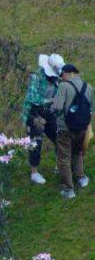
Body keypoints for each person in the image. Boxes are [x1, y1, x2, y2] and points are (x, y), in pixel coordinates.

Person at [47, 63, 91, 199]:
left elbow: (58, 107)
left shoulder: (63, 86)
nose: (61, 77)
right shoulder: (88, 87)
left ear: (68, 73)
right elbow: (91, 109)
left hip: (65, 128)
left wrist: (51, 104)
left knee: (64, 158)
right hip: (83, 127)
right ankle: (81, 178)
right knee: (78, 153)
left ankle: (68, 189)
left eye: (62, 74)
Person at [22, 53, 63, 185]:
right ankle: (34, 173)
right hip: (33, 113)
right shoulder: (36, 77)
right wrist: (50, 100)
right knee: (36, 141)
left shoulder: (57, 78)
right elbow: (32, 98)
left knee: (59, 136)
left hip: (48, 111)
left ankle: (59, 165)